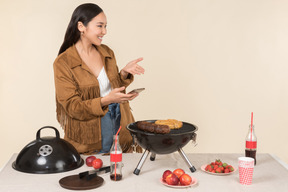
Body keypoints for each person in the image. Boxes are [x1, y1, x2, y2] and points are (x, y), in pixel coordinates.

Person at [53, 3, 144, 154]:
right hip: (91, 135)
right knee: (97, 171)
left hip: (120, 121)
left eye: (105, 26)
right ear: (81, 26)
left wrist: (123, 73)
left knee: (120, 168)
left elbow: (110, 88)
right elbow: (72, 107)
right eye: (100, 26)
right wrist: (107, 100)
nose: (104, 31)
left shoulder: (107, 52)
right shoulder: (63, 63)